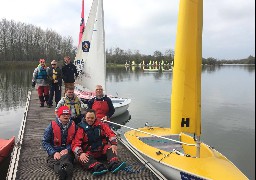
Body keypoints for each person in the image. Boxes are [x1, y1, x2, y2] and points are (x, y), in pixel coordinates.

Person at [71, 109, 126, 176]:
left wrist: (114, 144)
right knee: (82, 158)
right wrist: (80, 153)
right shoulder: (80, 128)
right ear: (85, 117)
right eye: (88, 118)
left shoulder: (101, 124)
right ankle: (97, 167)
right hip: (89, 152)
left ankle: (114, 164)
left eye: (92, 118)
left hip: (101, 149)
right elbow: (75, 144)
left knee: (111, 148)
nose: (90, 120)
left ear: (95, 117)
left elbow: (110, 134)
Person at [42, 106, 76, 180]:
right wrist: (54, 152)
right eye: (64, 114)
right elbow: (45, 142)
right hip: (55, 151)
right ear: (59, 115)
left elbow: (75, 141)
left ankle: (64, 171)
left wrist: (68, 149)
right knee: (51, 161)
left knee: (66, 158)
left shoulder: (74, 125)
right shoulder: (51, 126)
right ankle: (63, 170)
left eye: (68, 114)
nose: (66, 116)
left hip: (67, 152)